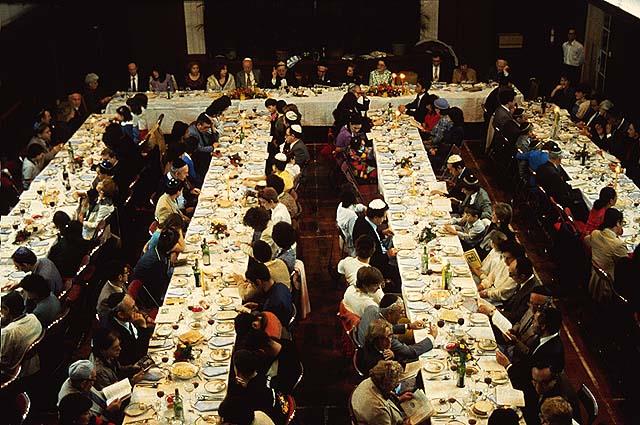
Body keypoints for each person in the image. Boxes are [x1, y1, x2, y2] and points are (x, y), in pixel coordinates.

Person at [496, 306, 565, 391]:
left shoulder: (552, 351)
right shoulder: (544, 336)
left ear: (543, 326)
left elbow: (528, 376)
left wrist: (508, 366)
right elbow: (530, 355)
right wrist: (515, 341)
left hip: (525, 389)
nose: (532, 323)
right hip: (518, 372)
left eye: (535, 321)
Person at [221, 350, 284, 424]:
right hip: (280, 410)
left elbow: (234, 414)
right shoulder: (262, 376)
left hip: (271, 419)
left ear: (238, 373)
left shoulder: (250, 394)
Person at [237, 328, 301, 394]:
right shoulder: (279, 342)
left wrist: (249, 381)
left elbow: (278, 389)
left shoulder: (286, 365)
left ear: (261, 351)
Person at [352, 199, 399, 287]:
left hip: (379, 253)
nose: (385, 219)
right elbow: (373, 259)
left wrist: (382, 232)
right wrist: (388, 255)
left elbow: (374, 235)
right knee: (399, 269)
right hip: (376, 266)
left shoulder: (363, 219)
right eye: (383, 217)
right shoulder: (366, 233)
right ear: (376, 217)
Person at [479, 255, 540, 323]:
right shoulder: (523, 281)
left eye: (511, 274)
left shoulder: (531, 292)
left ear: (522, 276)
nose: (509, 276)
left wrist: (492, 312)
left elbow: (515, 317)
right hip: (503, 311)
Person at [536, 143, 588, 220]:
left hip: (547, 194)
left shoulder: (541, 167)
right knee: (581, 198)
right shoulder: (554, 175)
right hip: (556, 199)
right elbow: (561, 195)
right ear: (559, 159)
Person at [351, 360, 412, 425]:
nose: (397, 384)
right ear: (386, 384)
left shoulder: (370, 381)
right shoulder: (378, 411)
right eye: (395, 383)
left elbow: (385, 397)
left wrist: (398, 399)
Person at [58, 359, 122, 421]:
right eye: (94, 378)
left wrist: (113, 388)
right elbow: (92, 422)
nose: (95, 380)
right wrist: (109, 412)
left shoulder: (78, 380)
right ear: (83, 383)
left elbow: (97, 395)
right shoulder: (72, 402)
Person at [132, 228, 180, 310]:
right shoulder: (158, 261)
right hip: (151, 297)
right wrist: (171, 264)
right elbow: (166, 281)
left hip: (153, 285)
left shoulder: (157, 249)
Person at [503, 286, 553, 364]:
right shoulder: (531, 308)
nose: (533, 308)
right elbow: (520, 322)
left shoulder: (547, 325)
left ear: (548, 304)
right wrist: (513, 330)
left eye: (538, 305)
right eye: (531, 303)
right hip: (511, 348)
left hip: (520, 361)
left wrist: (516, 342)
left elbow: (530, 354)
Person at [1, 291, 43, 380]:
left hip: (16, 371)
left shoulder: (8, 332)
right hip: (34, 364)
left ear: (7, 310)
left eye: (2, 309)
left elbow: (4, 362)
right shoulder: (33, 318)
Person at [103, 293, 154, 365]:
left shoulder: (126, 317)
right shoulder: (115, 334)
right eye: (132, 308)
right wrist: (142, 327)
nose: (136, 309)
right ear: (121, 315)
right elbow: (138, 355)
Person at [243, 259, 293, 326]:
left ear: (258, 282)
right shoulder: (281, 286)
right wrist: (259, 306)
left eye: (251, 284)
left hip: (276, 330)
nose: (251, 286)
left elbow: (265, 325)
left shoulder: (272, 304)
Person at [584, 208, 628, 278]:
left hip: (594, 275)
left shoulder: (595, 233)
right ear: (617, 223)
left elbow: (585, 240)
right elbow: (627, 268)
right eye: (621, 223)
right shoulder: (618, 245)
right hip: (609, 281)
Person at [336, 187, 366, 256]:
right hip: (351, 246)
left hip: (342, 239)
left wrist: (364, 208)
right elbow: (355, 235)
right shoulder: (352, 216)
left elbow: (354, 207)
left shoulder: (341, 205)